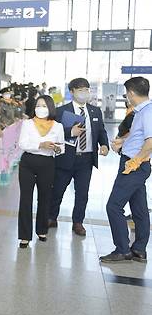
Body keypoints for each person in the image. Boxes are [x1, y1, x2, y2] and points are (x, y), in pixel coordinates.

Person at [48, 78, 109, 235]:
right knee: (57, 190)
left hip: (86, 159)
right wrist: (69, 132)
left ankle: (78, 222)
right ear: (72, 92)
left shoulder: (95, 111)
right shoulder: (61, 111)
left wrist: (104, 145)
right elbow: (53, 133)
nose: (84, 93)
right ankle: (51, 217)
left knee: (82, 193)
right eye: (80, 90)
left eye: (86, 89)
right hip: (66, 158)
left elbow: (101, 131)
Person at [101, 77, 152, 263]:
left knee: (113, 206)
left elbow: (150, 141)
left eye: (126, 94)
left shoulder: (147, 111)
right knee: (139, 209)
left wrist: (134, 162)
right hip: (135, 163)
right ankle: (139, 249)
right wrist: (123, 142)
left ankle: (122, 249)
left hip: (135, 165)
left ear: (130, 93)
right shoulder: (142, 111)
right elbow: (139, 135)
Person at [17, 96, 65, 248]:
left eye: (44, 105)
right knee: (26, 199)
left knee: (45, 198)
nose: (41, 108)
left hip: (47, 164)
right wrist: (40, 144)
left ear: (50, 107)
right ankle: (24, 236)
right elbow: (22, 143)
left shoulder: (57, 126)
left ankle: (42, 230)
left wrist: (57, 148)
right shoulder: (28, 123)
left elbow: (62, 147)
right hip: (28, 163)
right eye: (38, 105)